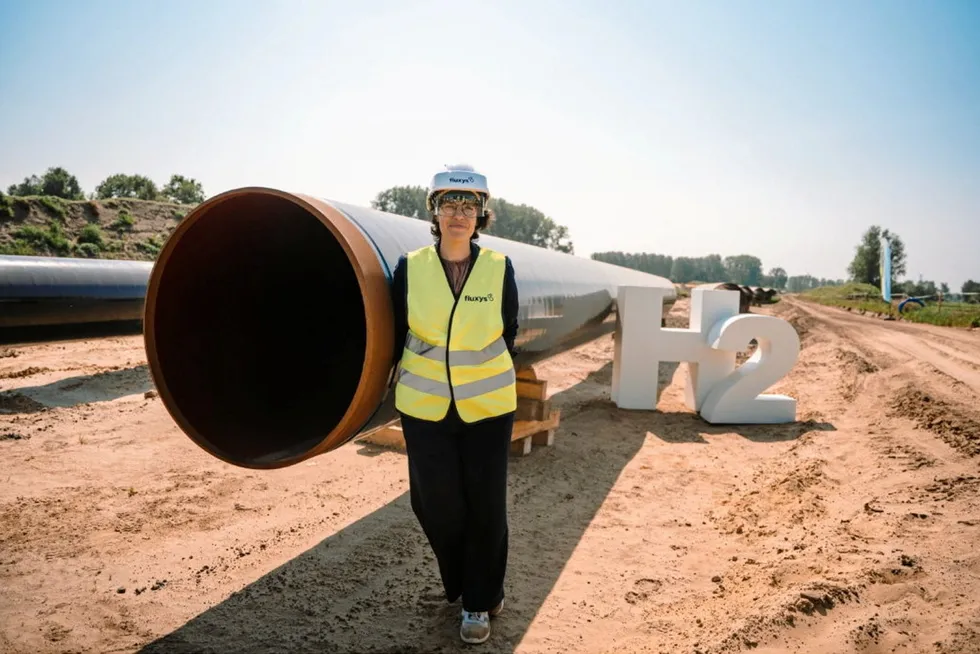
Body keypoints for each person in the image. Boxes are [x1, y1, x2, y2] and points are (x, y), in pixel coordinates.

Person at [388, 163, 519, 645]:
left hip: (487, 408)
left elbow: (509, 330)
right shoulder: (411, 267)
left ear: (482, 214)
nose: (459, 213)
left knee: (486, 505)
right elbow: (396, 328)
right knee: (437, 504)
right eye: (449, 204)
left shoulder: (500, 268)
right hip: (424, 408)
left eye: (469, 205)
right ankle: (471, 584)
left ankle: (477, 602)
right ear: (434, 211)